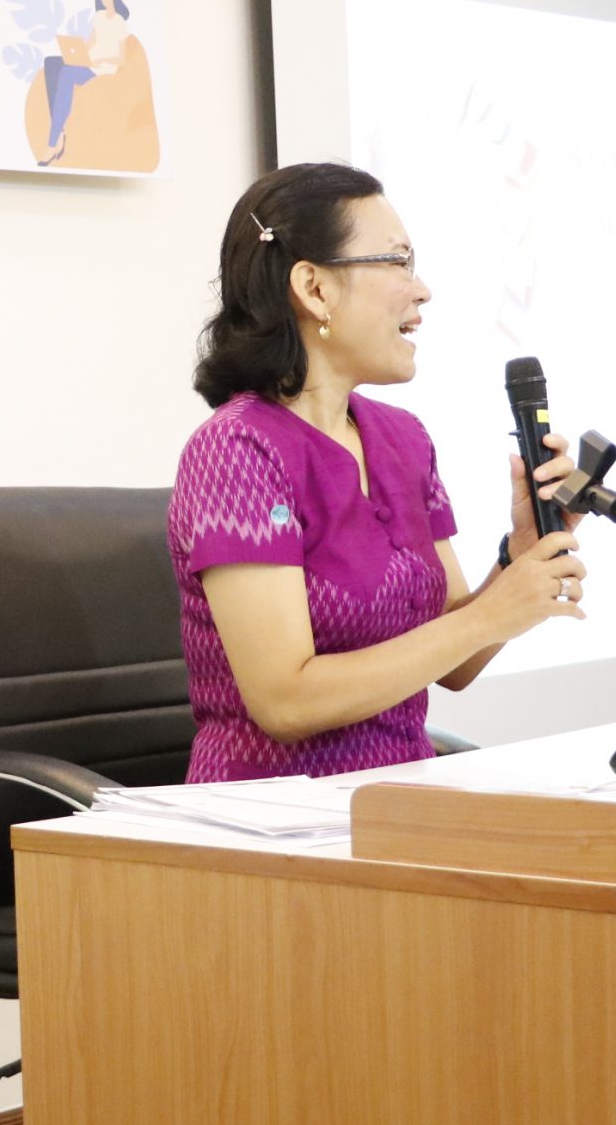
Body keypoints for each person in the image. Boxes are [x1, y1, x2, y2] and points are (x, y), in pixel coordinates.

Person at [169, 161, 587, 781]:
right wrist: (490, 614)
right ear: (314, 289)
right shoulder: (236, 451)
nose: (422, 291)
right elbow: (286, 701)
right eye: (398, 262)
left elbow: (455, 663)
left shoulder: (403, 439)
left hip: (398, 800)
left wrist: (521, 552)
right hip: (271, 815)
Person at [37, 0, 129, 165]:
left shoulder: (119, 22)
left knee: (66, 74)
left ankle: (52, 143)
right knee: (52, 63)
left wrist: (100, 59)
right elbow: (91, 43)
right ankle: (60, 132)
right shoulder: (99, 17)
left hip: (102, 70)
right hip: (89, 63)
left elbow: (121, 60)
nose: (104, 0)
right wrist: (76, 51)